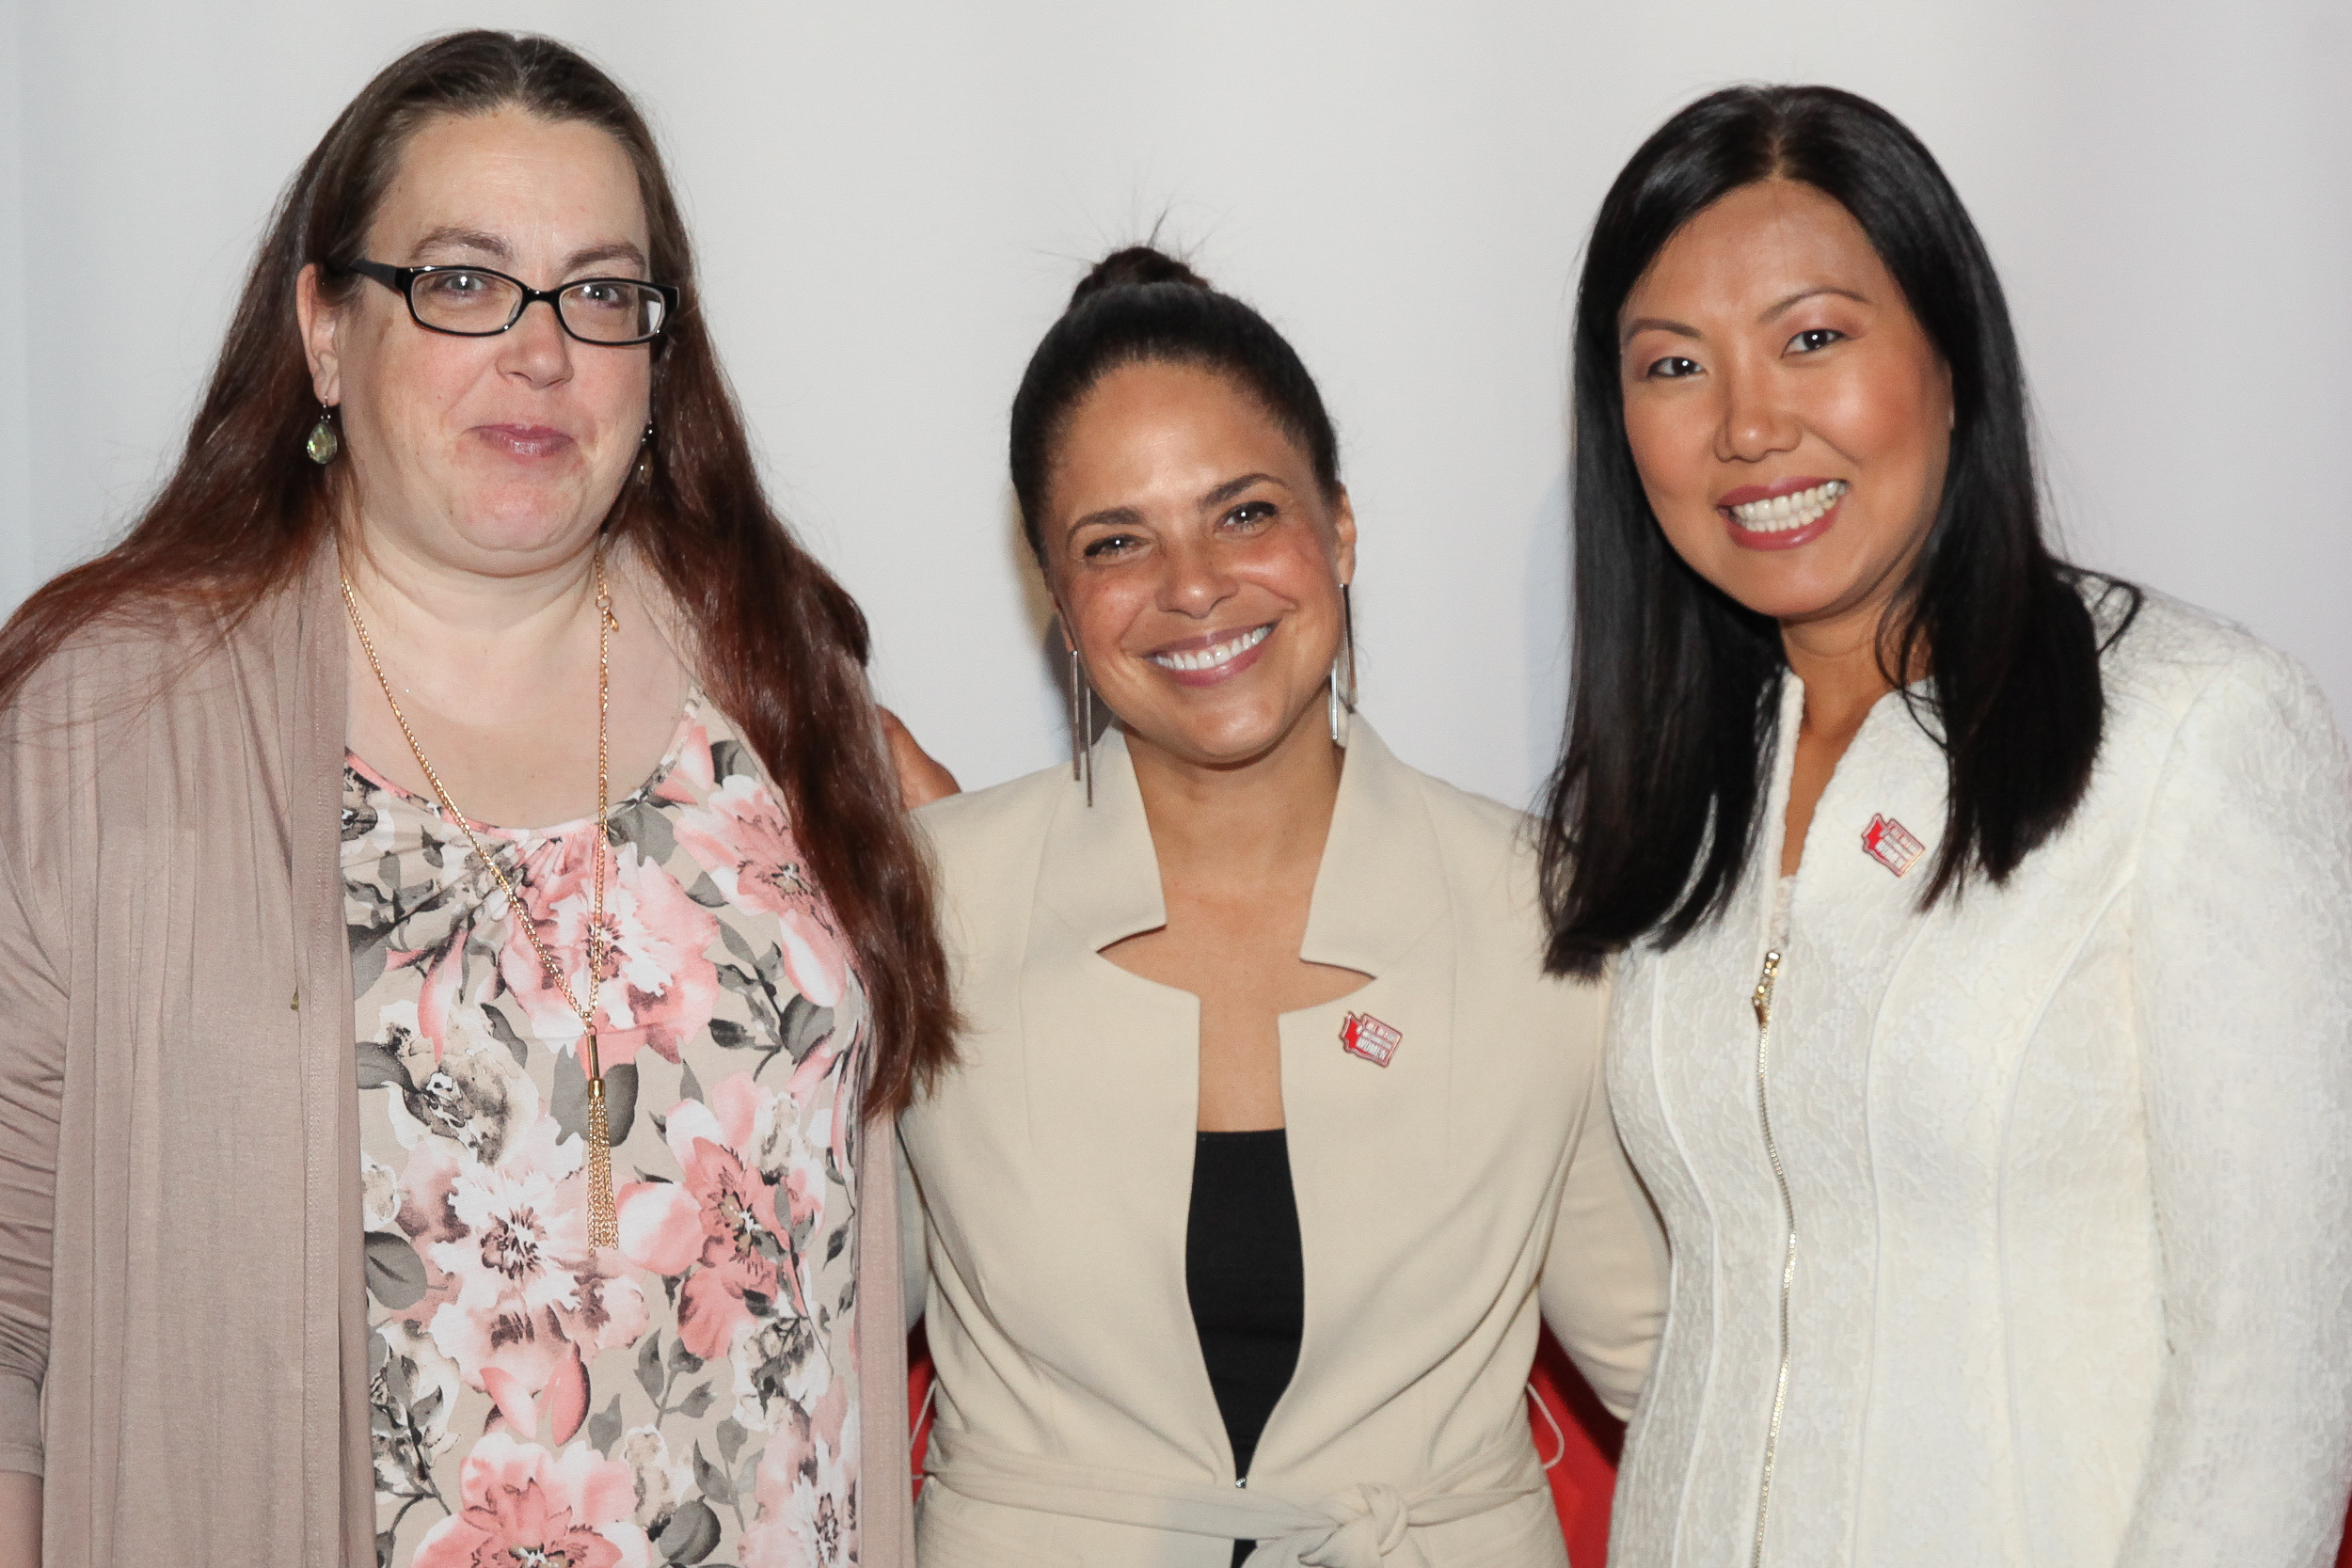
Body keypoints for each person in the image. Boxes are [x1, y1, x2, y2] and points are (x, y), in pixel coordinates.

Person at [0, 31, 951, 1568]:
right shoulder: (99, 727)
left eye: (600, 294)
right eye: (460, 281)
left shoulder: (786, 686)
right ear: (324, 332)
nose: (541, 351)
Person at [1537, 84, 2352, 1567]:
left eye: (1813, 339)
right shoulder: (1663, 794)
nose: (1748, 426)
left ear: (1954, 361)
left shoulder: (2194, 731)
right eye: (1674, 365)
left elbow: (2275, 1385)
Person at [897, 246, 1665, 1568]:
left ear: (1341, 528)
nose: (1193, 585)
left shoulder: (1543, 916)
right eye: (1116, 542)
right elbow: (799, 1323)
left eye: (1244, 513)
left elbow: (1677, 1373)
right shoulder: (922, 909)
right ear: (1058, 599)